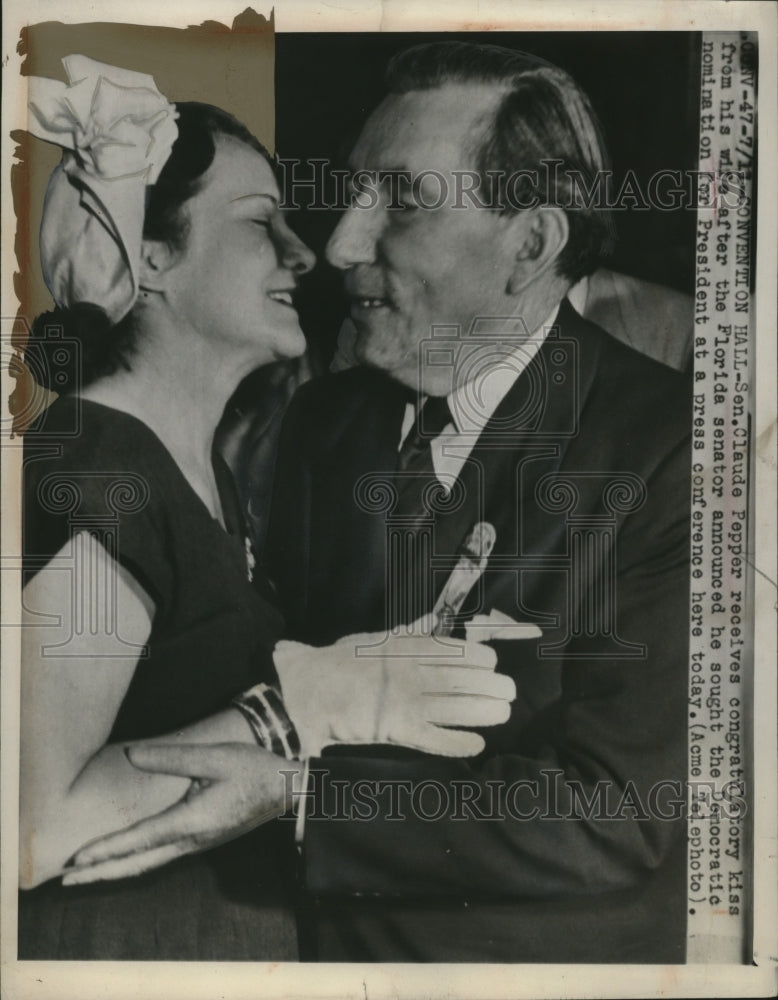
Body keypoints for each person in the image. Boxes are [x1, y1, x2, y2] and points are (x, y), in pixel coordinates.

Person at [65, 42, 693, 964]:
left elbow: (615, 810)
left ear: (532, 244)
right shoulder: (327, 420)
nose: (341, 245)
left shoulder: (676, 451)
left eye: (398, 201)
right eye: (355, 194)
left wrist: (305, 799)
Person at [18, 54, 518, 960]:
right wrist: (300, 704)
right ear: (153, 257)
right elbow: (28, 824)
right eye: (260, 224)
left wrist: (363, 677)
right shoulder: (98, 465)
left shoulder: (196, 470)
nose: (305, 252)